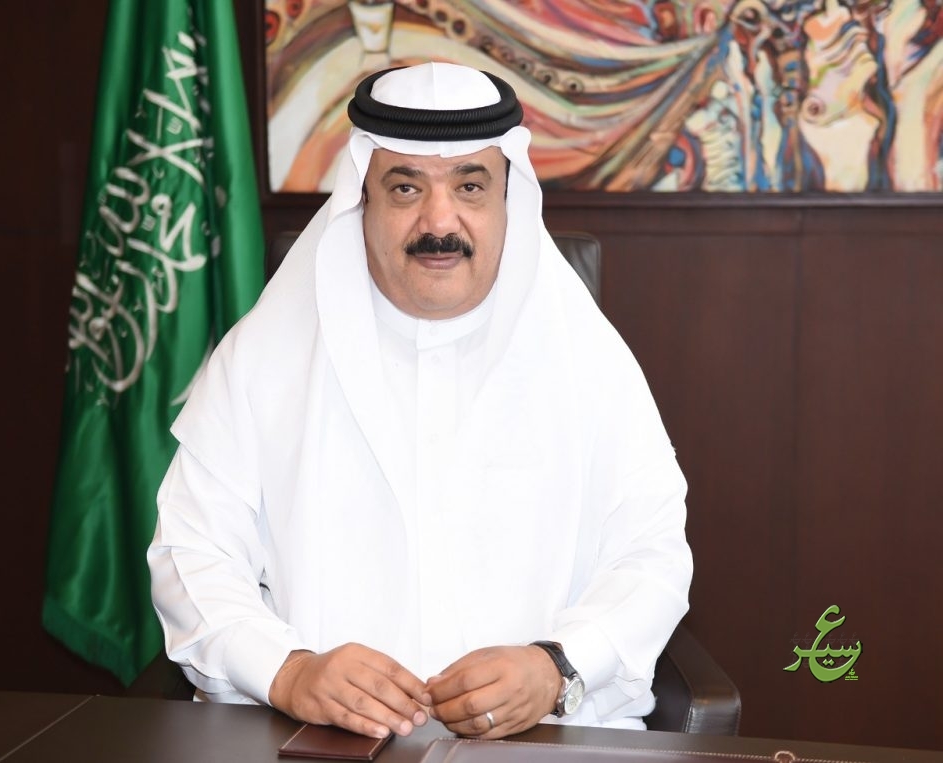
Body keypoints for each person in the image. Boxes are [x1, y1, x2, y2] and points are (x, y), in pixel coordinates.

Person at [148, 61, 692, 741]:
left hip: (547, 739)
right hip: (320, 743)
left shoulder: (589, 359)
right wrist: (287, 672)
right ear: (362, 202)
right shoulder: (264, 356)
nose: (440, 221)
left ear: (506, 202)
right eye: (405, 188)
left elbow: (653, 555)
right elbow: (190, 551)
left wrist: (558, 665)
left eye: (470, 186)